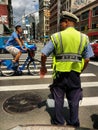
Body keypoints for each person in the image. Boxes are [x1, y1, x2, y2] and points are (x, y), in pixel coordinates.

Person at [40, 11, 94, 127]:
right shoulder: (83, 37)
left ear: (67, 22)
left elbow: (44, 54)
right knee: (74, 99)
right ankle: (74, 122)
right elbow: (87, 59)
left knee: (58, 98)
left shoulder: (57, 36)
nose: (60, 25)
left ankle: (59, 122)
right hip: (74, 74)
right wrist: (80, 71)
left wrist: (43, 66)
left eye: (61, 23)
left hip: (59, 74)